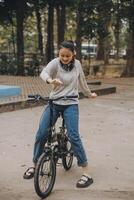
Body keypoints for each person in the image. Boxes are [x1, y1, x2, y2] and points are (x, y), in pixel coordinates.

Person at [23, 40, 97, 188]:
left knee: (74, 135)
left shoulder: (77, 65)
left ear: (73, 54)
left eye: (67, 56)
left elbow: (82, 81)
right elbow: (43, 73)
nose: (64, 58)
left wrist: (89, 94)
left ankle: (86, 173)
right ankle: (35, 164)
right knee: (41, 134)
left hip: (71, 104)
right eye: (62, 55)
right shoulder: (55, 63)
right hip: (54, 103)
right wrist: (51, 80)